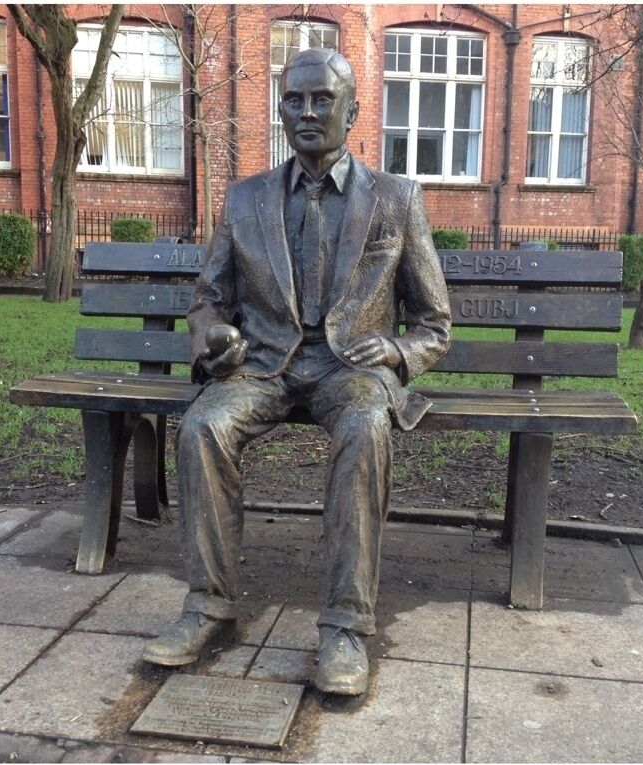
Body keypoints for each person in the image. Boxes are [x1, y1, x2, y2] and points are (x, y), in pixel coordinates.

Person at [143, 47, 451, 697]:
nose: (308, 112)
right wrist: (214, 339)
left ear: (354, 110)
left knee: (368, 426)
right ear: (281, 109)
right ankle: (208, 608)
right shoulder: (245, 197)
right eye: (294, 100)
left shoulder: (397, 199)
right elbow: (208, 301)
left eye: (322, 99)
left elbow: (434, 324)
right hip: (264, 365)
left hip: (348, 366)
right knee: (202, 427)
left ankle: (344, 626)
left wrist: (397, 353)